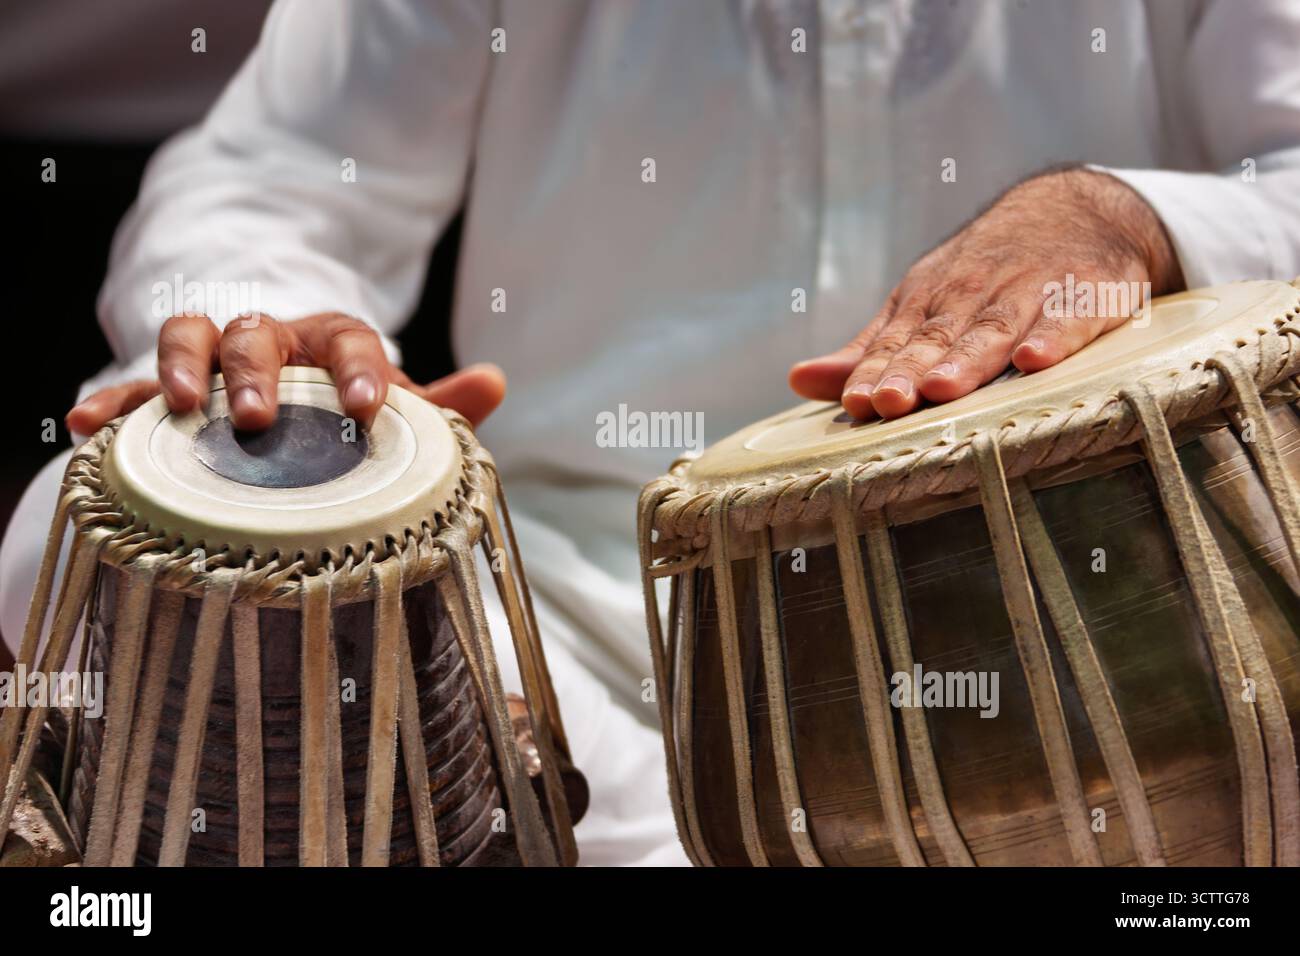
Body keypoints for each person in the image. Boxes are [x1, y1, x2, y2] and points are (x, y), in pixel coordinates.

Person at [4, 0, 1300, 865]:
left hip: (1081, 589)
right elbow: (275, 174)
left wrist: (1125, 215)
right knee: (107, 531)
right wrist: (269, 348)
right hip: (566, 618)